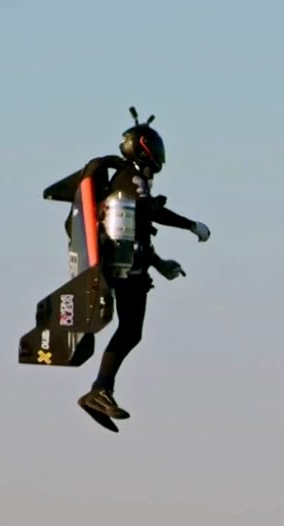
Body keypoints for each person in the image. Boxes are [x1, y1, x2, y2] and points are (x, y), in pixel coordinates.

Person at [76, 108, 211, 420]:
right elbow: (147, 214)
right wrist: (191, 225)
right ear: (142, 148)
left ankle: (99, 390)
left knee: (131, 331)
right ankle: (99, 390)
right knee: (129, 330)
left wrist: (161, 264)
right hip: (124, 270)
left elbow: (136, 232)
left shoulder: (130, 180)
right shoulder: (130, 178)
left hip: (132, 267)